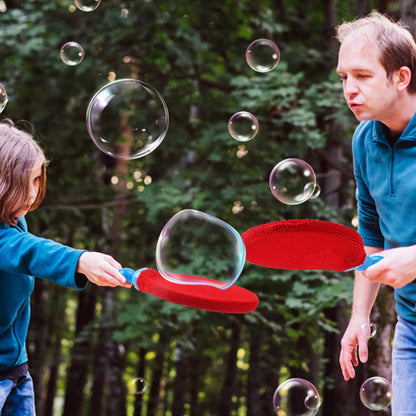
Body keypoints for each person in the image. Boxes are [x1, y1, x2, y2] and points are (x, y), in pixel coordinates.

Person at [0, 118, 131, 415]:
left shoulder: (15, 219)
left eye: (37, 180)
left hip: (15, 369)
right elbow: (27, 251)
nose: (33, 193)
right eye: (24, 182)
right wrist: (80, 260)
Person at [336, 11, 416, 415]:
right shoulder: (363, 139)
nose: (349, 89)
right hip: (413, 331)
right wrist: (359, 318)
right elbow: (370, 235)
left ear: (400, 77)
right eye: (343, 78)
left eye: (362, 76)